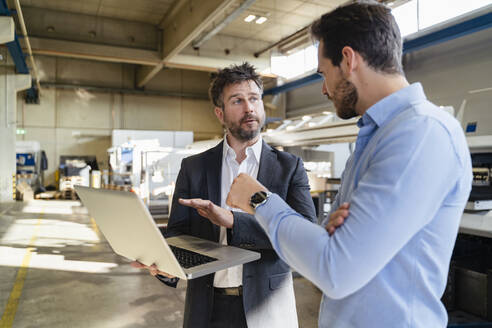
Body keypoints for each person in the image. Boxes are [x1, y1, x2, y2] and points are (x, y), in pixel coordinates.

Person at [226, 2, 472, 328]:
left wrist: (259, 200)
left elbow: (334, 269)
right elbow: (332, 249)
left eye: (324, 74)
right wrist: (326, 238)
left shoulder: (421, 134)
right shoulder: (373, 139)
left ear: (348, 59)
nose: (325, 89)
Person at [133, 62, 317, 328]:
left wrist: (234, 221)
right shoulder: (194, 167)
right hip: (207, 309)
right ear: (220, 113)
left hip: (267, 309)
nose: (249, 107)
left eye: (254, 98)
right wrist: (164, 264)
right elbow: (177, 234)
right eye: (237, 101)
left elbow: (306, 235)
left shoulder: (289, 168)